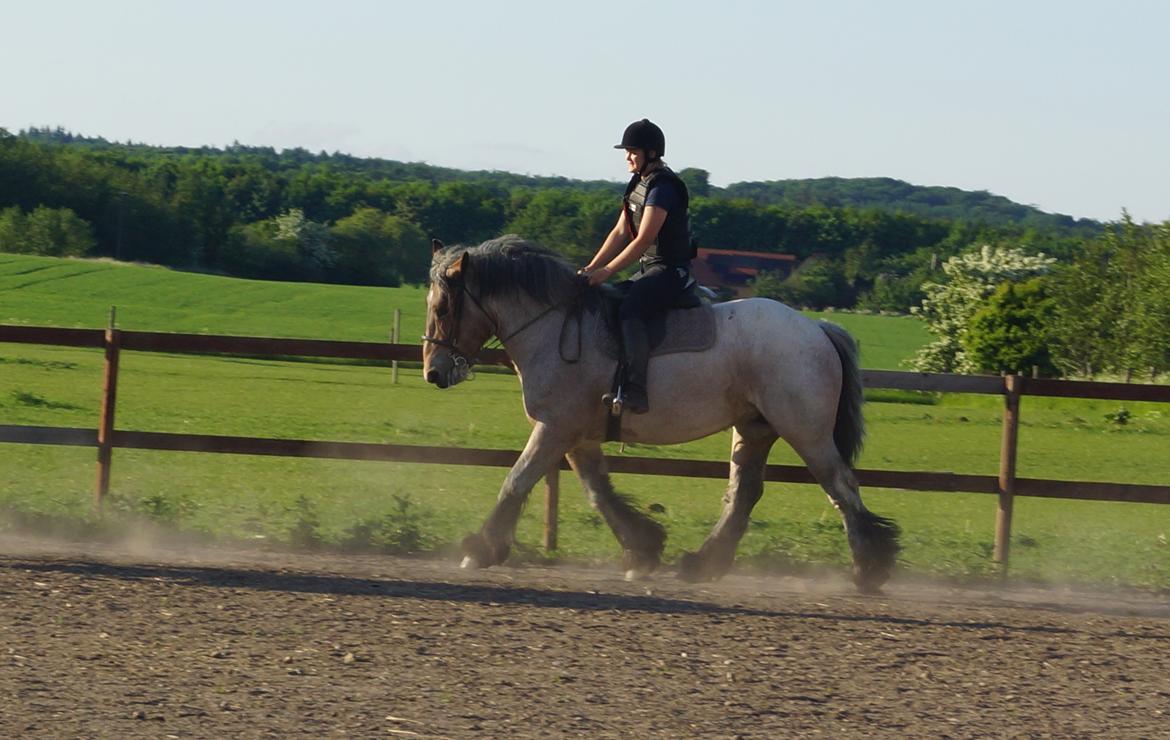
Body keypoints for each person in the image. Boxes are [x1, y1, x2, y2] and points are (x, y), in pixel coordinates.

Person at [579, 118, 694, 414]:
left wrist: (606, 272)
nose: (628, 157)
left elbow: (643, 240)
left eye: (633, 151)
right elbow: (619, 233)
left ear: (651, 153)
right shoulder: (639, 184)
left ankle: (636, 390)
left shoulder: (663, 188)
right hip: (649, 268)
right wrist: (590, 268)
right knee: (607, 301)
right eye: (626, 151)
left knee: (631, 310)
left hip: (670, 271)